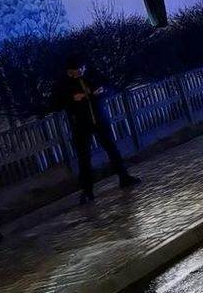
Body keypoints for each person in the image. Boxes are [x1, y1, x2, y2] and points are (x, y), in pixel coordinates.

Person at [51, 56, 141, 204]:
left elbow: (112, 88)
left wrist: (103, 91)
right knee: (84, 158)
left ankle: (124, 177)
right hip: (80, 125)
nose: (80, 73)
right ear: (69, 71)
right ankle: (87, 191)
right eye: (76, 71)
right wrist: (72, 99)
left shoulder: (93, 76)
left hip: (99, 120)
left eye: (81, 69)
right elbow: (54, 104)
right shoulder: (63, 84)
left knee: (112, 149)